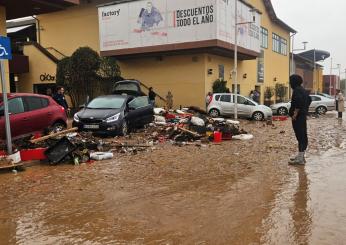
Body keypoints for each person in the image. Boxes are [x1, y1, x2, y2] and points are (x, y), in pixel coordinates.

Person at [288, 75, 312, 165]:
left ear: (294, 82)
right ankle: (300, 156)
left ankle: (300, 159)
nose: (290, 83)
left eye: (290, 81)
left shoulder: (297, 90)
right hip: (302, 116)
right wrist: (305, 110)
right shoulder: (303, 90)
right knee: (302, 135)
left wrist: (295, 113)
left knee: (300, 136)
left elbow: (298, 101)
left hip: (298, 117)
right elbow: (309, 99)